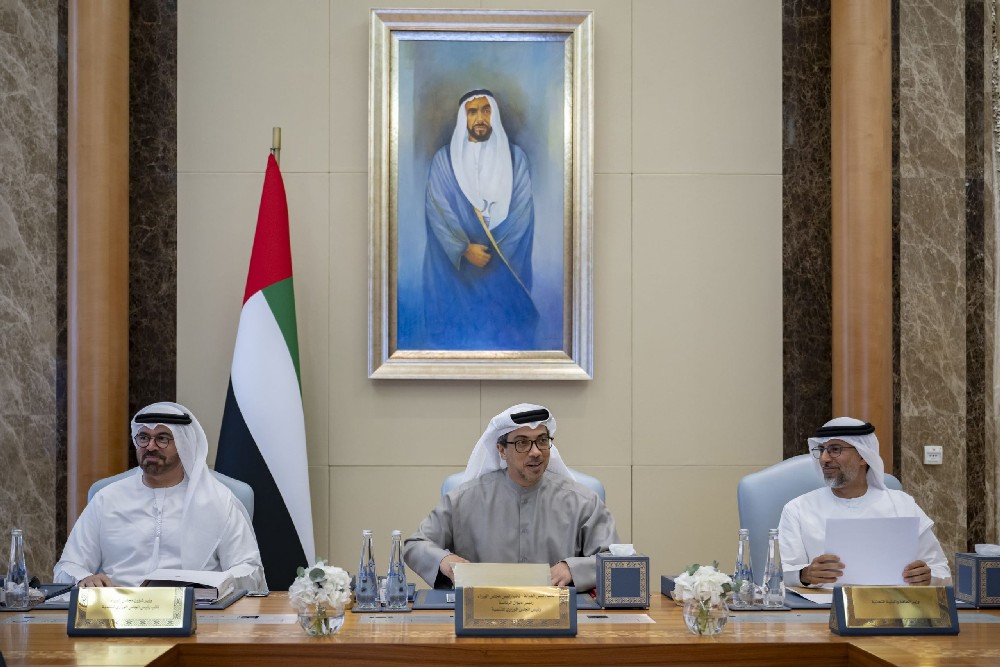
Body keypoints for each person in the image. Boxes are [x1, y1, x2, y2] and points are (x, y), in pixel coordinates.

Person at [403, 404, 619, 591]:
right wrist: (444, 560)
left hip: (559, 613)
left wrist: (572, 569)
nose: (536, 452)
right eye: (522, 443)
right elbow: (416, 545)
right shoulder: (463, 500)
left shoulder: (583, 501)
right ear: (501, 450)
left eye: (542, 441)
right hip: (482, 612)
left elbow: (615, 560)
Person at [54, 402, 266, 590]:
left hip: (195, 610)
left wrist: (216, 584)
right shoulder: (107, 499)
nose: (150, 446)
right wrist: (85, 579)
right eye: (143, 438)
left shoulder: (218, 500)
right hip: (117, 611)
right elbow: (68, 566)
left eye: (162, 439)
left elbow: (249, 569)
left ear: (184, 443)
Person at [422, 89, 539, 350]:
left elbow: (522, 214)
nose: (480, 118)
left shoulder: (516, 159)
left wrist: (494, 258)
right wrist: (463, 249)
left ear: (493, 114)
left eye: (486, 110)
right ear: (463, 117)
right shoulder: (444, 161)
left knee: (505, 334)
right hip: (459, 275)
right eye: (472, 112)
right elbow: (438, 210)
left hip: (503, 269)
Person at [778, 417, 951, 587]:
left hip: (892, 603)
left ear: (863, 456)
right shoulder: (797, 509)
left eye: (835, 449)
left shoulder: (902, 505)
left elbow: (941, 571)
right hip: (823, 604)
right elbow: (778, 575)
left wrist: (928, 578)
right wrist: (804, 575)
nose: (824, 458)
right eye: (821, 449)